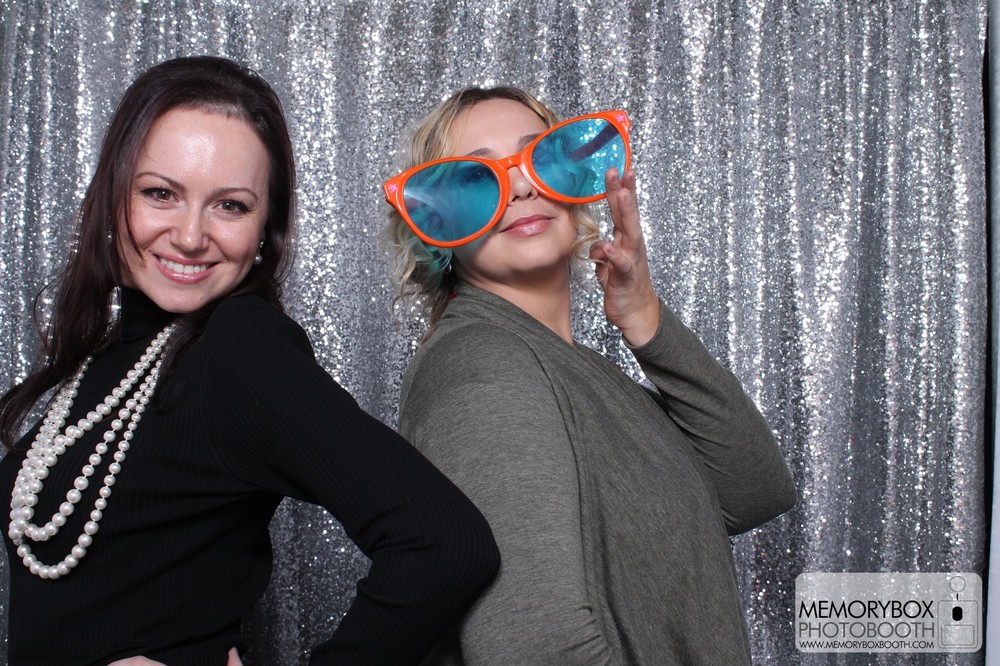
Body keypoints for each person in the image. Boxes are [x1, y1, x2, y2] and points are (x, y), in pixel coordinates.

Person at [0, 56, 499, 666]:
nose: (190, 236)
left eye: (230, 206)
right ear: (114, 196)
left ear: (266, 228)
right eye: (160, 193)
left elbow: (447, 543)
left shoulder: (237, 347)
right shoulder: (109, 352)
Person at [383, 86, 796, 665]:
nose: (522, 188)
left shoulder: (571, 367)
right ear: (434, 223)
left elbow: (752, 492)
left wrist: (646, 319)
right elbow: (536, 648)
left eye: (540, 159)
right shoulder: (482, 365)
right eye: (477, 180)